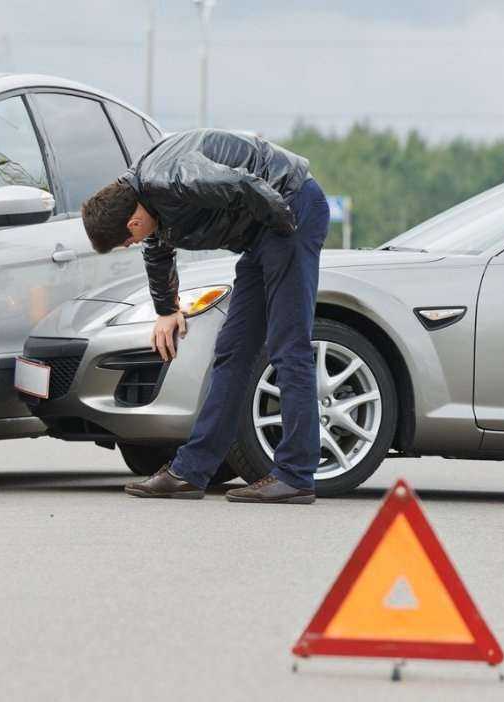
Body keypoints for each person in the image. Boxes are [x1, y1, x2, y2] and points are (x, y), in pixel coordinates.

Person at [81, 129, 329, 504]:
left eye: (127, 241)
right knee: (232, 350)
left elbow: (244, 184)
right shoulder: (145, 199)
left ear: (132, 223)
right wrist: (166, 310)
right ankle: (191, 472)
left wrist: (286, 233)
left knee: (287, 345)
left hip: (289, 210)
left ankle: (295, 475)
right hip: (263, 231)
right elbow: (157, 250)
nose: (133, 244)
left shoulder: (172, 178)